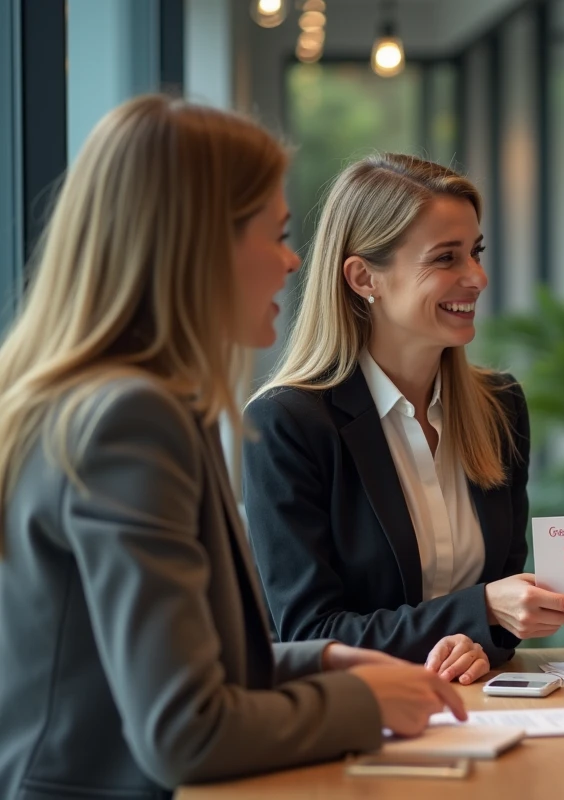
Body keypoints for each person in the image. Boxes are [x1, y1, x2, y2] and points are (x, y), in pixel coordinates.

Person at [0, 96, 466, 800]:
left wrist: (329, 660)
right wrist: (366, 705)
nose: (290, 261)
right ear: (196, 241)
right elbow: (186, 730)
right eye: (274, 232)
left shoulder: (103, 402)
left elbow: (178, 670)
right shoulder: (130, 418)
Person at [243, 154, 564, 682]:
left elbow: (503, 614)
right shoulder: (288, 423)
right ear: (362, 277)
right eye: (446, 258)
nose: (477, 277)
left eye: (476, 252)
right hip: (362, 722)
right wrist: (482, 610)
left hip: (483, 707)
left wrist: (500, 629)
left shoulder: (500, 407)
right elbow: (310, 633)